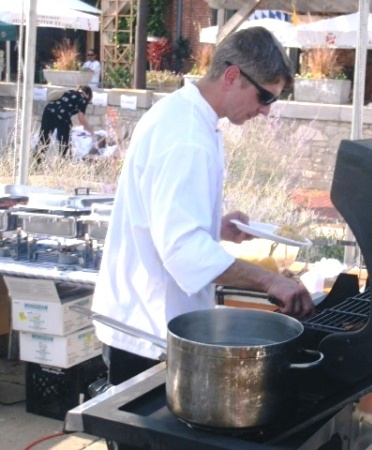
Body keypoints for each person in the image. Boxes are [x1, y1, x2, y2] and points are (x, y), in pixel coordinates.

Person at [92, 26, 313, 400]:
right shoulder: (186, 136)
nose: (264, 110)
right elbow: (184, 250)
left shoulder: (186, 116)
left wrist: (216, 227)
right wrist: (271, 282)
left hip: (145, 318)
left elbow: (162, 217)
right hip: (147, 328)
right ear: (232, 76)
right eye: (264, 97)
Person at [36, 85, 93, 160]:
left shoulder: (69, 91)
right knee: (64, 142)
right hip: (62, 115)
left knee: (44, 138)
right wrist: (90, 130)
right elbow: (81, 118)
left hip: (49, 110)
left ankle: (37, 161)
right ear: (88, 95)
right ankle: (62, 162)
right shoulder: (84, 98)